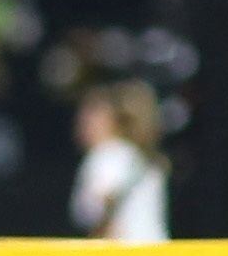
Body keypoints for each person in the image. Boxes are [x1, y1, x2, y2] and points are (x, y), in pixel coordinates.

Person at [69, 82, 168, 244]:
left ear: (112, 120)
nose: (81, 123)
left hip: (126, 250)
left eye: (90, 117)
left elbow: (100, 203)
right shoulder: (141, 155)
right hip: (155, 247)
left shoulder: (109, 154)